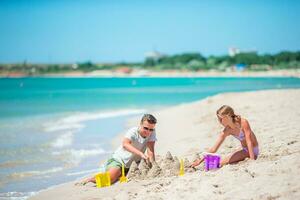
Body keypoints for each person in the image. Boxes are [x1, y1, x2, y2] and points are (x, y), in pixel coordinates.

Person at [80, 114, 157, 184]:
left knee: (121, 175)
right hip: (119, 160)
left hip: (132, 164)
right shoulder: (133, 131)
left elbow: (150, 150)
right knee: (110, 179)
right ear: (140, 124)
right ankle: (90, 180)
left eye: (151, 129)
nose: (148, 132)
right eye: (145, 128)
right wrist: (141, 154)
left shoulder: (152, 132)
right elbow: (125, 144)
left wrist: (153, 164)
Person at [191, 105, 259, 168]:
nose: (219, 121)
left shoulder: (243, 122)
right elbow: (213, 149)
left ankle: (249, 156)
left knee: (221, 162)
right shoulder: (227, 130)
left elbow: (249, 141)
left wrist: (252, 159)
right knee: (221, 162)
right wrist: (199, 161)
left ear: (228, 116)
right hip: (244, 150)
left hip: (252, 150)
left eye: (221, 119)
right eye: (218, 119)